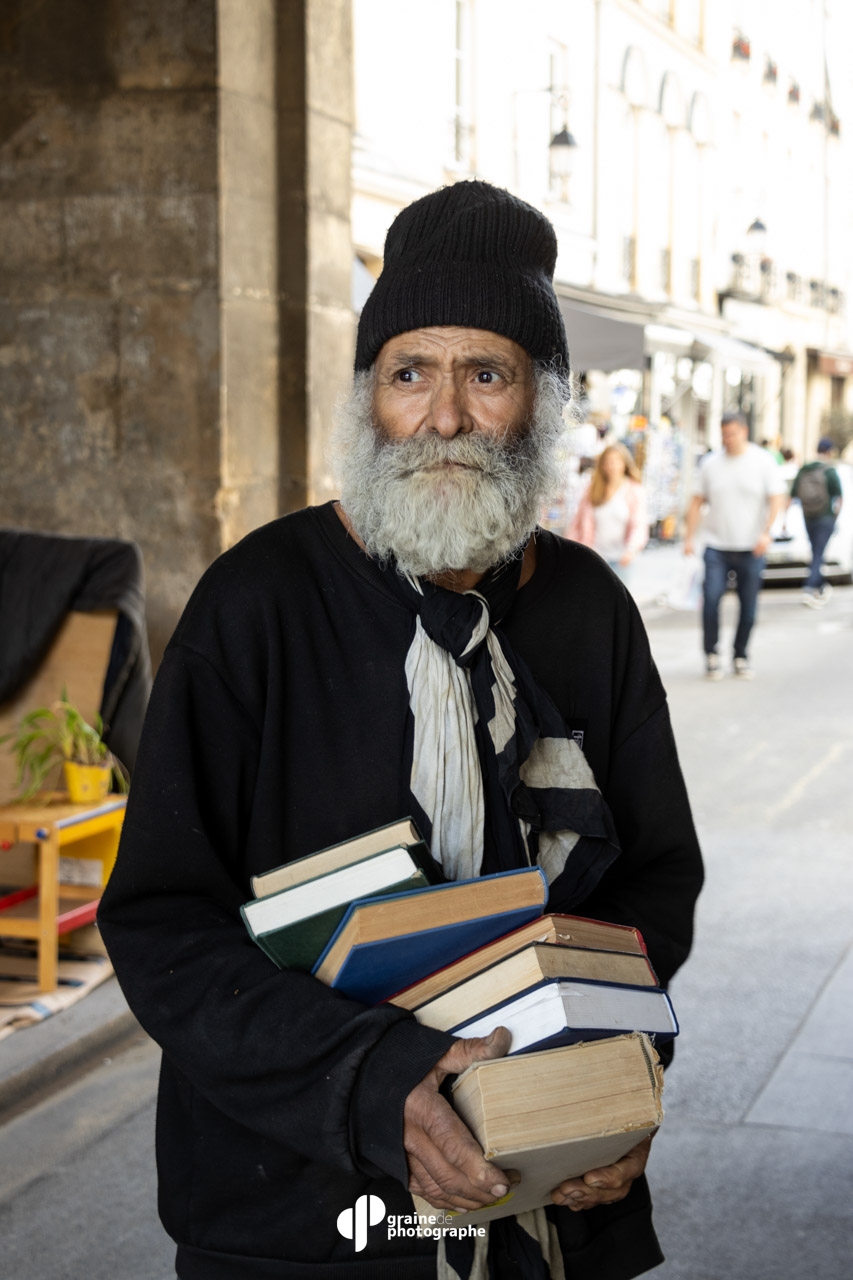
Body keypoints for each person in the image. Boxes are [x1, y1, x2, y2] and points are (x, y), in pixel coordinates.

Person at [98, 180, 704, 1280]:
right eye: (409, 372)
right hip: (302, 1219)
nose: (445, 417)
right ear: (367, 394)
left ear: (542, 401)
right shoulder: (255, 604)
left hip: (549, 1200)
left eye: (487, 373)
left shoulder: (587, 609)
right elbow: (162, 925)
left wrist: (616, 1082)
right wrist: (379, 1081)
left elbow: (654, 883)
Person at [684, 412, 786, 680]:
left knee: (748, 605)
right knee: (711, 600)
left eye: (732, 434)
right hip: (716, 545)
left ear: (744, 432)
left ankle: (740, 655)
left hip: (752, 547)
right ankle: (711, 654)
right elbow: (696, 501)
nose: (728, 439)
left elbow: (777, 499)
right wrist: (688, 538)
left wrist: (767, 533)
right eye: (724, 434)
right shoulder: (710, 463)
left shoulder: (762, 461)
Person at [568, 443, 649, 586]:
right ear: (602, 465)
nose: (612, 466)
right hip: (595, 557)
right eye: (608, 461)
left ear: (624, 463)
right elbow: (578, 522)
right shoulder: (592, 490)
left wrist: (631, 549)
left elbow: (639, 524)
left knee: (619, 604)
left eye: (616, 461)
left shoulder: (634, 490)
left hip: (621, 559)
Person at [790, 437, 843, 608]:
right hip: (825, 516)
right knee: (818, 553)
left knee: (816, 552)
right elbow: (839, 497)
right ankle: (809, 587)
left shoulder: (805, 469)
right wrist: (834, 517)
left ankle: (820, 585)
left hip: (808, 516)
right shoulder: (829, 470)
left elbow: (793, 494)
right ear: (829, 451)